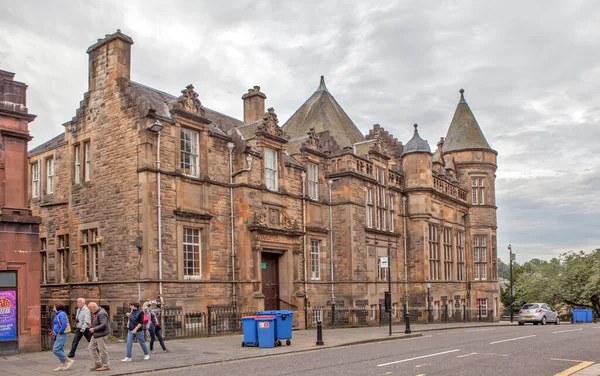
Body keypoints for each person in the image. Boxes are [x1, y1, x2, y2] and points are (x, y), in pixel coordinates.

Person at [52, 303, 75, 371]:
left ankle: (68, 360)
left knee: (56, 349)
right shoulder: (59, 314)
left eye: (54, 306)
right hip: (59, 333)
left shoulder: (61, 314)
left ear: (57, 307)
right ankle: (62, 364)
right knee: (60, 349)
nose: (53, 307)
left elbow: (64, 324)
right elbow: (58, 324)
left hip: (62, 334)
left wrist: (59, 332)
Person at [88, 302, 110, 371]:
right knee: (91, 347)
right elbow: (97, 322)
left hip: (101, 334)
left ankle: (106, 365)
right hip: (96, 334)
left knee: (102, 350)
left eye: (91, 309)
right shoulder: (96, 312)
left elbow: (104, 324)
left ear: (94, 307)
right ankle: (98, 363)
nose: (91, 311)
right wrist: (92, 326)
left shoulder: (101, 313)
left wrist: (94, 329)